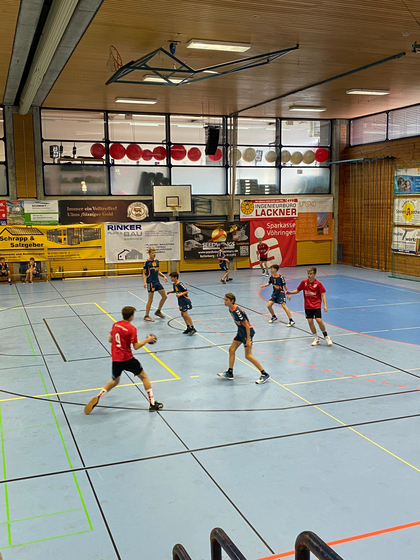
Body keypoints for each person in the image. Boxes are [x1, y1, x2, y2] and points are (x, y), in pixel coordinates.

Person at [84, 306, 163, 414]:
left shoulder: (116, 324)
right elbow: (136, 347)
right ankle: (153, 404)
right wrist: (147, 340)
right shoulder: (132, 328)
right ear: (131, 316)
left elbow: (110, 339)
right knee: (144, 377)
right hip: (127, 359)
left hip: (116, 359)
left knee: (115, 381)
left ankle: (98, 396)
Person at [218, 293, 270, 384]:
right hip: (241, 332)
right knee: (231, 350)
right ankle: (230, 372)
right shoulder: (230, 309)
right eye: (224, 300)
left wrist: (248, 339)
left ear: (232, 301)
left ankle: (264, 374)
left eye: (226, 300)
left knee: (248, 355)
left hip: (247, 333)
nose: (224, 302)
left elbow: (246, 324)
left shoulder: (237, 311)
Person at [287, 267, 332, 346]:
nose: (309, 275)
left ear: (314, 274)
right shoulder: (304, 282)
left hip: (316, 305)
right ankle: (316, 338)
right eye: (308, 274)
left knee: (319, 320)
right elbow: (297, 290)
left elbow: (323, 295)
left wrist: (325, 305)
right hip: (307, 306)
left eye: (311, 274)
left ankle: (326, 336)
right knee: (310, 322)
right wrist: (290, 292)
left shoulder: (318, 284)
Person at [142, 247, 167, 322]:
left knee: (164, 296)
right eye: (152, 253)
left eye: (155, 252)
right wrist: (145, 282)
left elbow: (157, 271)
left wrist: (164, 276)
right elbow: (143, 273)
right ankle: (146, 315)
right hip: (150, 282)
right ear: (149, 254)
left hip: (157, 282)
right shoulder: (147, 263)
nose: (154, 254)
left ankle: (158, 311)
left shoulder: (156, 261)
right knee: (150, 299)